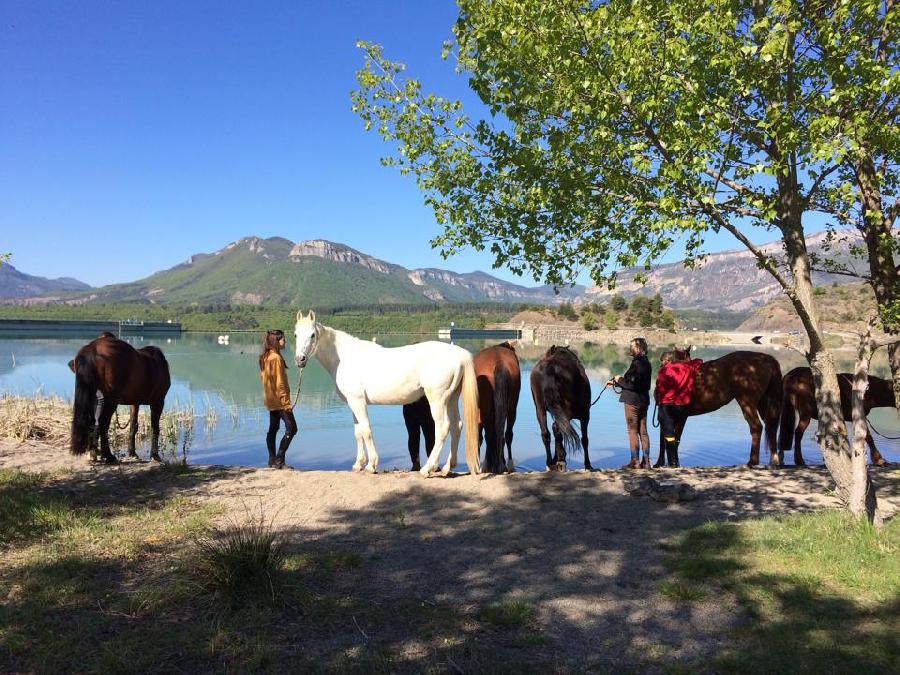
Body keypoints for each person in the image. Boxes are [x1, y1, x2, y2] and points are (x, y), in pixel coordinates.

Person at [607, 337, 651, 469]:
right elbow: (636, 382)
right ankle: (646, 462)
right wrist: (616, 382)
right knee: (643, 431)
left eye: (631, 346)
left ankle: (635, 461)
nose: (629, 348)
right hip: (643, 401)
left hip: (633, 401)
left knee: (632, 430)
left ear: (638, 348)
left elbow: (631, 384)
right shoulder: (647, 363)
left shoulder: (638, 363)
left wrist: (618, 378)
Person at [653, 350, 703, 468]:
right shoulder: (689, 367)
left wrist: (657, 398)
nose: (661, 364)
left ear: (669, 360)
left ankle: (672, 463)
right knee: (676, 435)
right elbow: (699, 361)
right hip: (683, 407)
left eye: (663, 361)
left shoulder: (665, 370)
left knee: (669, 435)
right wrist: (687, 360)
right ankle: (675, 462)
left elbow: (660, 388)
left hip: (667, 406)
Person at [259, 329, 297, 469]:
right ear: (277, 341)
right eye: (283, 339)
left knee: (273, 429)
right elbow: (280, 382)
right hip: (279, 401)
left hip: (270, 399)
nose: (284, 341)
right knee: (292, 428)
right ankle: (279, 460)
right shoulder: (276, 358)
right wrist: (286, 402)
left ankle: (271, 460)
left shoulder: (266, 356)